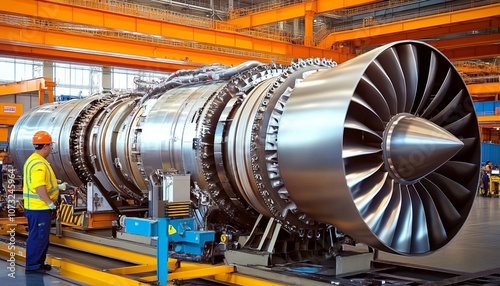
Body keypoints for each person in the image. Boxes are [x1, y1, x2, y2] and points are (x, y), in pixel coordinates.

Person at [23, 130, 67, 274]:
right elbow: (39, 187)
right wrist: (50, 203)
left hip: (36, 208)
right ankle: (33, 265)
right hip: (39, 208)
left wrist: (58, 186)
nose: (51, 149)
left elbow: (44, 183)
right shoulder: (39, 164)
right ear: (46, 146)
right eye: (50, 146)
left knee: (41, 237)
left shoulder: (34, 160)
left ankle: (39, 263)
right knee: (38, 237)